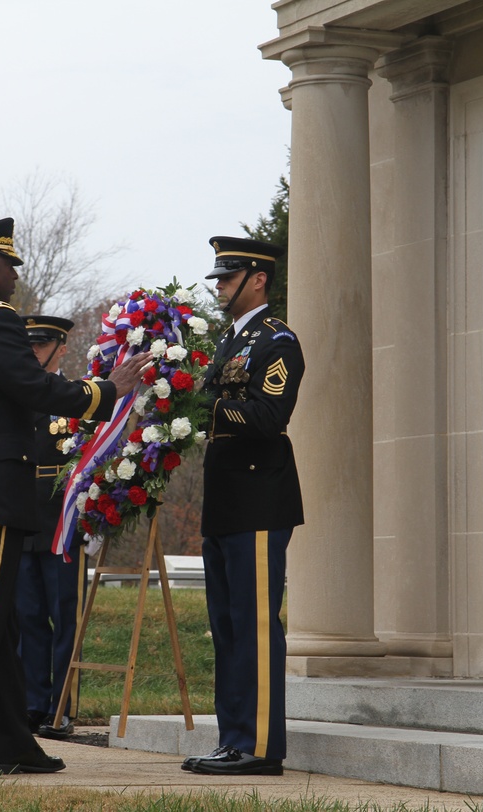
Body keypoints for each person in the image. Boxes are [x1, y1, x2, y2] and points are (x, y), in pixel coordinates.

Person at [0, 218, 150, 779]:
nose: (15, 276)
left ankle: (14, 744)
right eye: (9, 265)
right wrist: (108, 389)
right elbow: (35, 388)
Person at [182, 236, 305, 777]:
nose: (219, 287)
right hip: (226, 500)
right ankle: (232, 739)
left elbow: (268, 415)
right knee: (228, 626)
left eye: (227, 279)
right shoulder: (229, 343)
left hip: (259, 499)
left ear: (258, 279)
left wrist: (200, 405)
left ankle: (257, 747)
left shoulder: (277, 341)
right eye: (217, 279)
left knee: (255, 626)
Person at [17, 315, 86, 740]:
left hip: (63, 520)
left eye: (42, 344)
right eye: (29, 344)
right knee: (27, 617)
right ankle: (32, 702)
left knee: (65, 616)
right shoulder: (16, 396)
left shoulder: (77, 396)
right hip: (23, 518)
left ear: (61, 347)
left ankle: (62, 706)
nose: (34, 351)